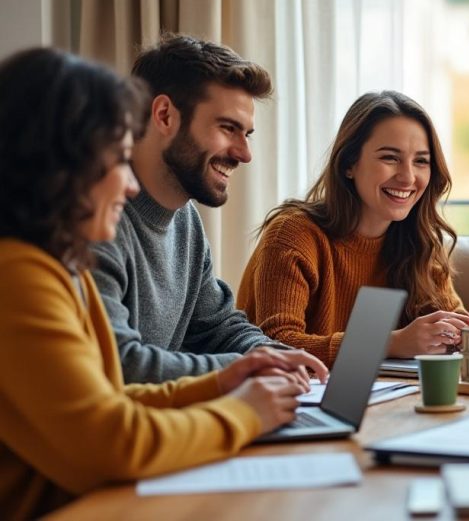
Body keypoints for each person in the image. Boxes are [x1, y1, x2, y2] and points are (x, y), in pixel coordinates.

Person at [0, 48, 327, 519]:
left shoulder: (55, 267)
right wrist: (244, 413)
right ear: (61, 166)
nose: (129, 185)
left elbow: (111, 392)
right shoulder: (19, 277)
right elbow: (114, 440)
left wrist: (230, 376)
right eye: (115, 156)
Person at [91, 34, 326, 383]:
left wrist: (279, 358)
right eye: (228, 128)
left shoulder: (185, 220)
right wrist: (244, 370)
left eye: (247, 134)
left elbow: (217, 328)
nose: (244, 154)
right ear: (164, 115)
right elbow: (120, 363)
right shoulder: (95, 218)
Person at [237, 91, 469, 363]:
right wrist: (389, 343)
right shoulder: (293, 233)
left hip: (387, 397)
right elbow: (275, 343)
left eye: (421, 161)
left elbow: (458, 328)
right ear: (349, 164)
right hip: (290, 398)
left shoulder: (418, 243)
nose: (408, 176)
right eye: (390, 158)